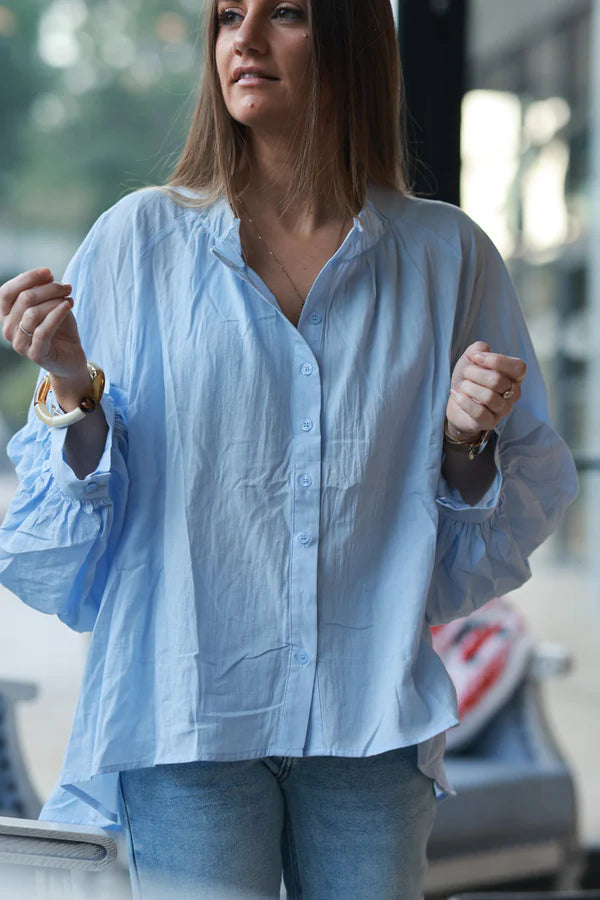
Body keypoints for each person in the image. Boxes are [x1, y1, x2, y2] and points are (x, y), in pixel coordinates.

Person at [0, 0, 577, 898]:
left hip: (367, 730)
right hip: (184, 720)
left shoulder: (446, 256)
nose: (246, 38)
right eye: (230, 15)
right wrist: (73, 385)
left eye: (288, 15)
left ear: (351, 40)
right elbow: (68, 525)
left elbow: (517, 494)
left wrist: (469, 439)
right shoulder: (137, 241)